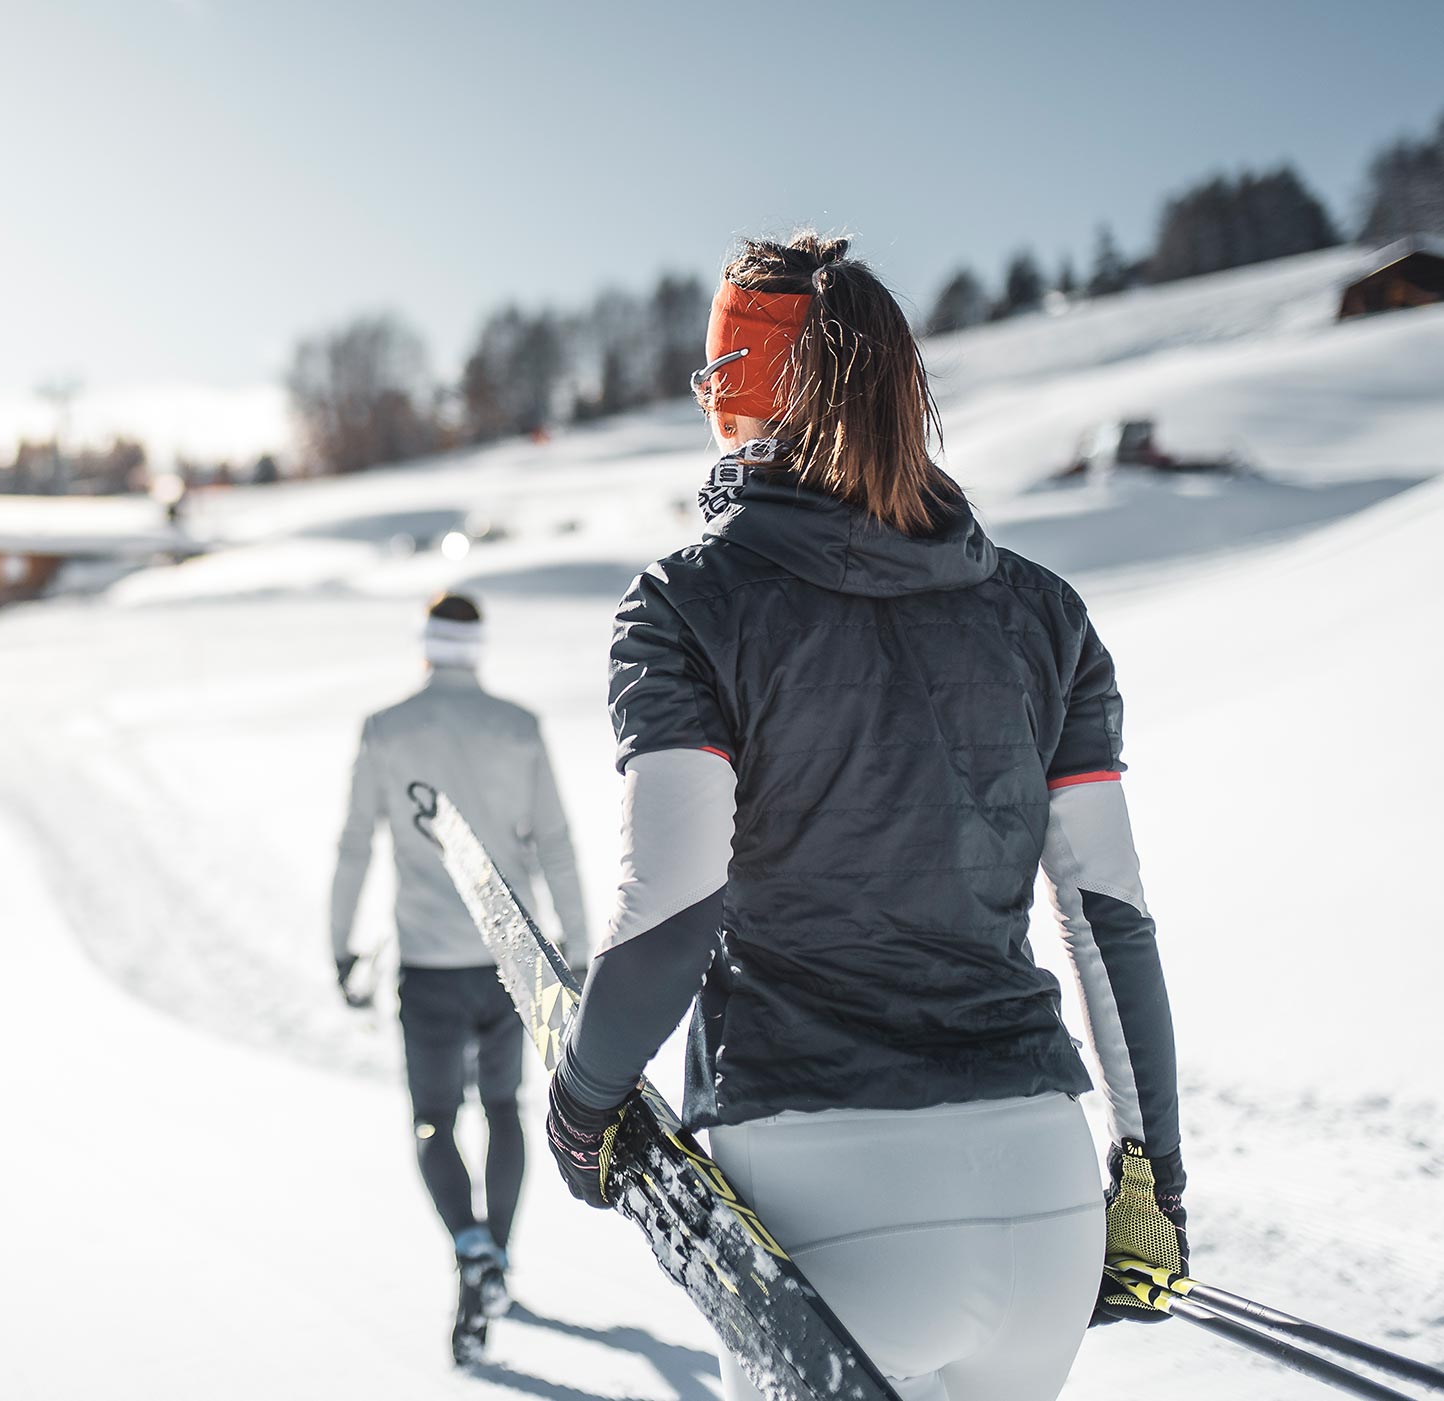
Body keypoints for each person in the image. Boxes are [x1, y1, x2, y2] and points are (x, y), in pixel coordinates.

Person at [543, 232, 1186, 1401]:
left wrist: (585, 1104)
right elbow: (1109, 917)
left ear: (739, 389)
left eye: (708, 379)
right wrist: (1156, 1180)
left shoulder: (689, 603)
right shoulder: (1046, 615)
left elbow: (677, 904)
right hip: (1043, 1205)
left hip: (825, 1199)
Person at [331, 591, 590, 1362]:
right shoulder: (520, 728)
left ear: (426, 646)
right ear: (476, 649)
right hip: (511, 962)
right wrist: (576, 947)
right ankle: (498, 1261)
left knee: (434, 1119)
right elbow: (558, 844)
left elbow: (354, 847)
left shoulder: (386, 729)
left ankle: (470, 1244)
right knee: (504, 1107)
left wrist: (339, 946)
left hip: (429, 966)